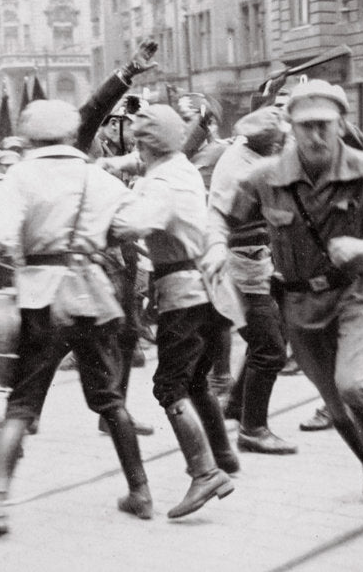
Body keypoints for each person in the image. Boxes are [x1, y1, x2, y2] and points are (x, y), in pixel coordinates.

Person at [203, 80, 363, 509]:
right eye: (306, 126)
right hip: (299, 305)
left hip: (358, 291)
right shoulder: (267, 177)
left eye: (325, 126)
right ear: (290, 128)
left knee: (352, 386)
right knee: (335, 406)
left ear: (341, 125)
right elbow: (223, 215)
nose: (316, 136)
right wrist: (218, 245)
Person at [0, 98, 154, 535]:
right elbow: (139, 222)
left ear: (30, 136)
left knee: (21, 404)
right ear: (71, 134)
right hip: (89, 295)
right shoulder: (97, 176)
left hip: (40, 298)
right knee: (110, 399)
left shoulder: (19, 176)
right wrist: (98, 237)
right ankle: (141, 492)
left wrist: (6, 245)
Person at [111, 103, 241, 519]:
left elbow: (129, 226)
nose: (136, 151)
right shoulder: (179, 164)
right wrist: (110, 165)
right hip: (211, 290)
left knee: (170, 386)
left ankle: (205, 473)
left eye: (138, 143)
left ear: (148, 145)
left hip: (183, 293)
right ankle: (224, 454)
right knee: (198, 379)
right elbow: (141, 159)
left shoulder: (159, 184)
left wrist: (97, 212)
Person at [208, 106, 296, 455]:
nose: (282, 144)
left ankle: (237, 406)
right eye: (279, 140)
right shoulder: (247, 170)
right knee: (270, 349)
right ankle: (253, 429)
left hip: (249, 261)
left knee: (271, 335)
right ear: (266, 142)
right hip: (241, 264)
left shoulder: (239, 153)